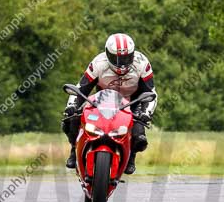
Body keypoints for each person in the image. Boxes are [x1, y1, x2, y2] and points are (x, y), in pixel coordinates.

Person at [62, 33, 157, 174]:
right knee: (71, 120)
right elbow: (81, 88)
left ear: (132, 54)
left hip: (133, 101)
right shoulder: (98, 64)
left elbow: (151, 93)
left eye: (126, 58)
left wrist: (146, 113)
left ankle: (131, 157)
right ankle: (74, 150)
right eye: (116, 58)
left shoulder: (142, 64)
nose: (122, 63)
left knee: (140, 137)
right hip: (103, 101)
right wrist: (71, 106)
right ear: (107, 54)